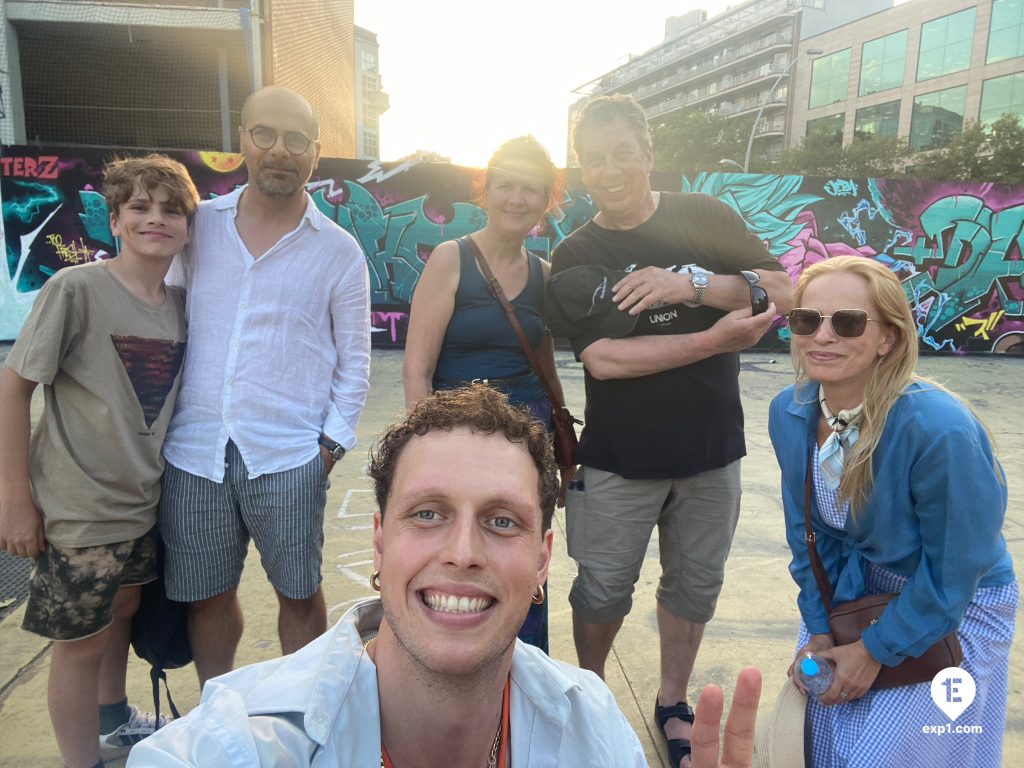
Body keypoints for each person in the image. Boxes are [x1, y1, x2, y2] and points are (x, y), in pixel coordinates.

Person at [126, 384, 764, 768]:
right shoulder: (242, 742)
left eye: (502, 521)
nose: (462, 551)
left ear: (543, 559)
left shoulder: (591, 728)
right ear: (380, 543)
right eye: (427, 514)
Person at [546, 94, 791, 767]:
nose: (611, 168)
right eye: (595, 159)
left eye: (623, 152)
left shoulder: (704, 216)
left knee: (693, 586)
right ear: (582, 168)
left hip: (712, 453)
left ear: (649, 155)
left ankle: (672, 700)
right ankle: (591, 697)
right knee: (601, 588)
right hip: (620, 458)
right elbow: (603, 359)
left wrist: (691, 285)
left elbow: (782, 288)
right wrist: (713, 341)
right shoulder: (577, 249)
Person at [768, 255, 1018, 766]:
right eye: (806, 319)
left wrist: (874, 651)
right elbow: (808, 537)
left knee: (897, 753)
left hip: (953, 602)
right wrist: (819, 629)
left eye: (847, 322)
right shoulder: (790, 411)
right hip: (852, 592)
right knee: (830, 739)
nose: (822, 336)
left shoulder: (937, 427)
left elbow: (955, 569)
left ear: (888, 338)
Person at [160, 85, 371, 687]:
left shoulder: (339, 252)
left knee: (299, 593)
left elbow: (355, 361)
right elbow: (159, 307)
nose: (280, 150)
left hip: (289, 455)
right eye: (266, 135)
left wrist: (328, 447)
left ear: (315, 152)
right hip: (193, 451)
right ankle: (218, 707)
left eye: (297, 140)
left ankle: (300, 712)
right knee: (207, 596)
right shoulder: (198, 227)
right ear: (243, 140)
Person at [0, 155, 199, 767]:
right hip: (77, 508)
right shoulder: (76, 290)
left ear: (189, 227)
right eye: (139, 207)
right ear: (113, 220)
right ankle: (80, 761)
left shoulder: (180, 304)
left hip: (140, 503)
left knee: (123, 611)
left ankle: (113, 720)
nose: (155, 219)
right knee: (78, 645)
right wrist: (15, 499)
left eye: (171, 209)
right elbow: (14, 387)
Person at [403, 135, 568, 652]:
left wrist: (564, 449)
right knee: (455, 557)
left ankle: (524, 674)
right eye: (507, 186)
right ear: (486, 191)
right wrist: (422, 453)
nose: (518, 199)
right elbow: (416, 368)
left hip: (527, 443)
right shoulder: (453, 259)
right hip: (457, 440)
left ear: (547, 200)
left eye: (532, 190)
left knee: (519, 559)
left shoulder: (545, 275)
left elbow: (546, 365)